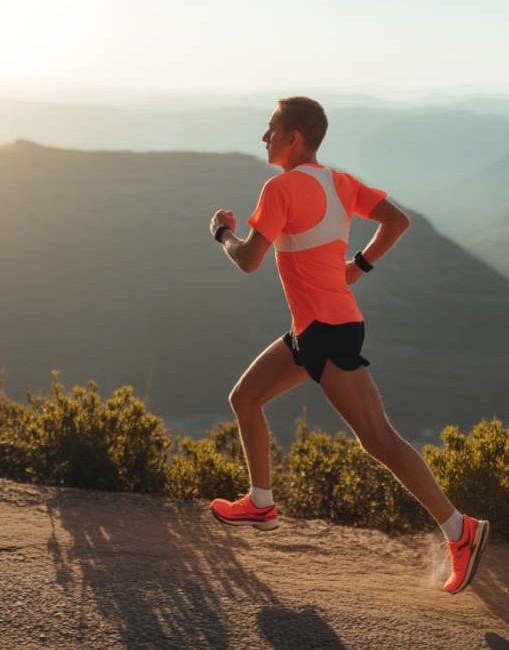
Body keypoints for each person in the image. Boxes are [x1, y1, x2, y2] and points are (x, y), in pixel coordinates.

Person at [207, 96, 488, 594]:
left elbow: (249, 259)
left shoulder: (281, 188)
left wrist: (223, 233)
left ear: (295, 137)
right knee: (244, 399)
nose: (263, 137)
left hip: (327, 332)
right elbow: (397, 221)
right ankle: (261, 501)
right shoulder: (340, 182)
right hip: (313, 331)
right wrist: (358, 268)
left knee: (380, 440)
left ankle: (459, 531)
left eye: (271, 129)